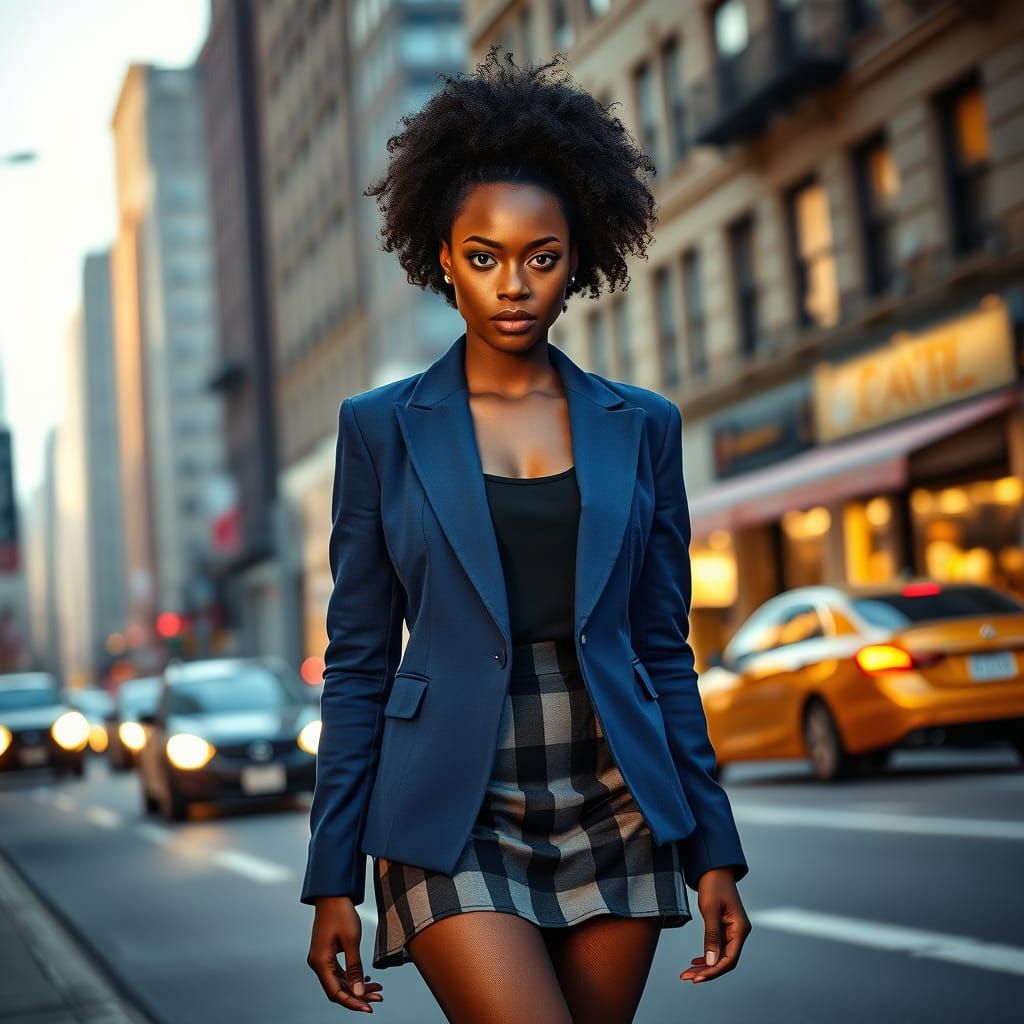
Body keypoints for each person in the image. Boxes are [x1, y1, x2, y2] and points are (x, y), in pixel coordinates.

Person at [304, 45, 751, 1022]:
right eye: (484, 257)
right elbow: (360, 659)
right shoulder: (380, 428)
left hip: (615, 790)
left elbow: (662, 649)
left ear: (579, 259)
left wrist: (715, 845)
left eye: (541, 258)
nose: (514, 283)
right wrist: (330, 872)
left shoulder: (644, 426)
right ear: (442, 258)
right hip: (448, 805)